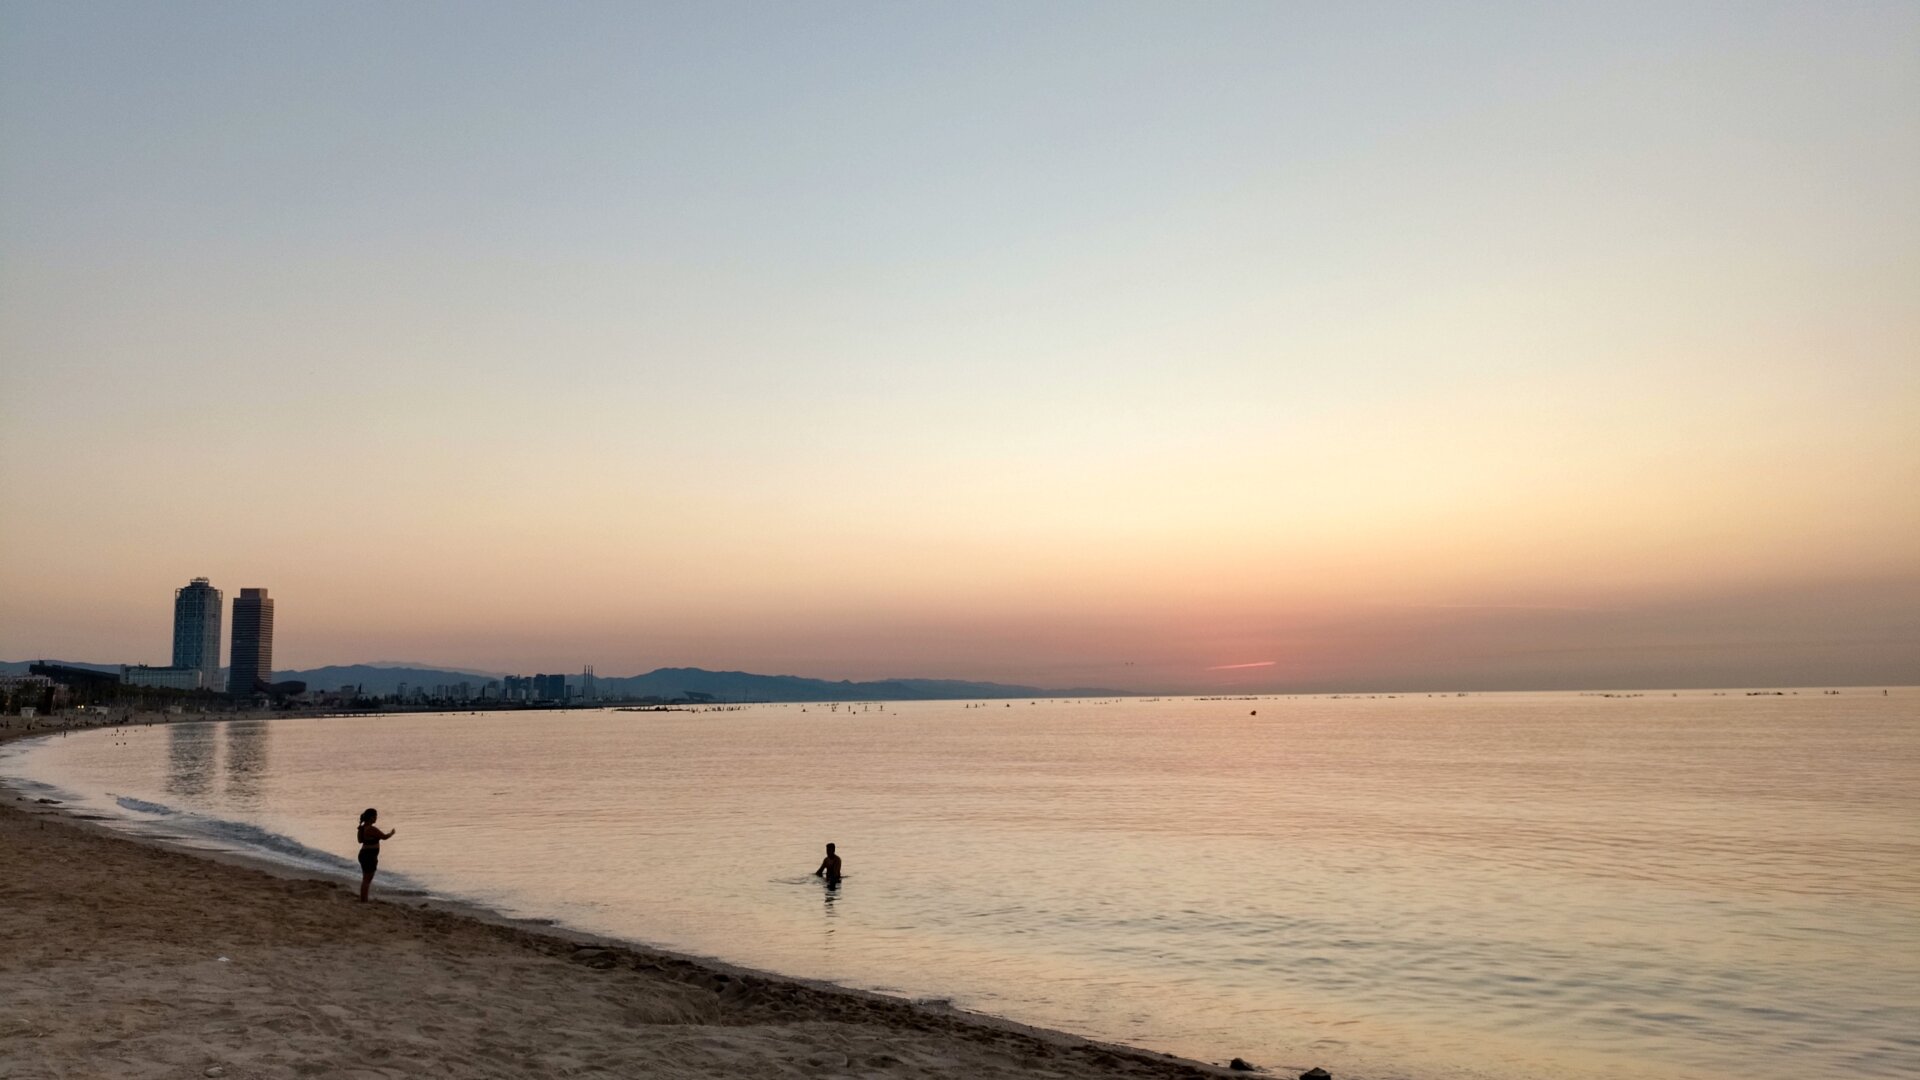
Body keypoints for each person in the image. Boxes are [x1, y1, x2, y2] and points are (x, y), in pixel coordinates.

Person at [357, 808, 395, 902]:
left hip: (365, 854)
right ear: (371, 818)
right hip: (369, 856)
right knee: (367, 879)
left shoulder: (362, 828)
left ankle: (363, 898)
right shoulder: (371, 828)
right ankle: (364, 900)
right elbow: (384, 837)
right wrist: (391, 833)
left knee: (365, 878)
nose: (376, 818)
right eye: (375, 816)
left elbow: (360, 841)